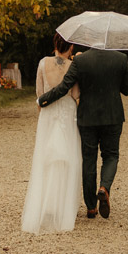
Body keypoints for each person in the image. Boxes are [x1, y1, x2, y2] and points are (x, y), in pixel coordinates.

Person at [37, 38, 128, 220]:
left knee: (88, 159)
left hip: (87, 117)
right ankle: (104, 187)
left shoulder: (81, 60)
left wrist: (44, 99)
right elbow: (127, 90)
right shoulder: (121, 59)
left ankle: (90, 207)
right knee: (110, 155)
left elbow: (65, 86)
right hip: (113, 116)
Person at [20, 34, 82, 234]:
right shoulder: (74, 66)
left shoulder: (42, 63)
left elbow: (39, 93)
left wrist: (43, 114)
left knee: (45, 158)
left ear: (55, 45)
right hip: (67, 112)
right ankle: (62, 205)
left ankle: (45, 204)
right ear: (71, 47)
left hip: (48, 113)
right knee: (66, 157)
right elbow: (75, 94)